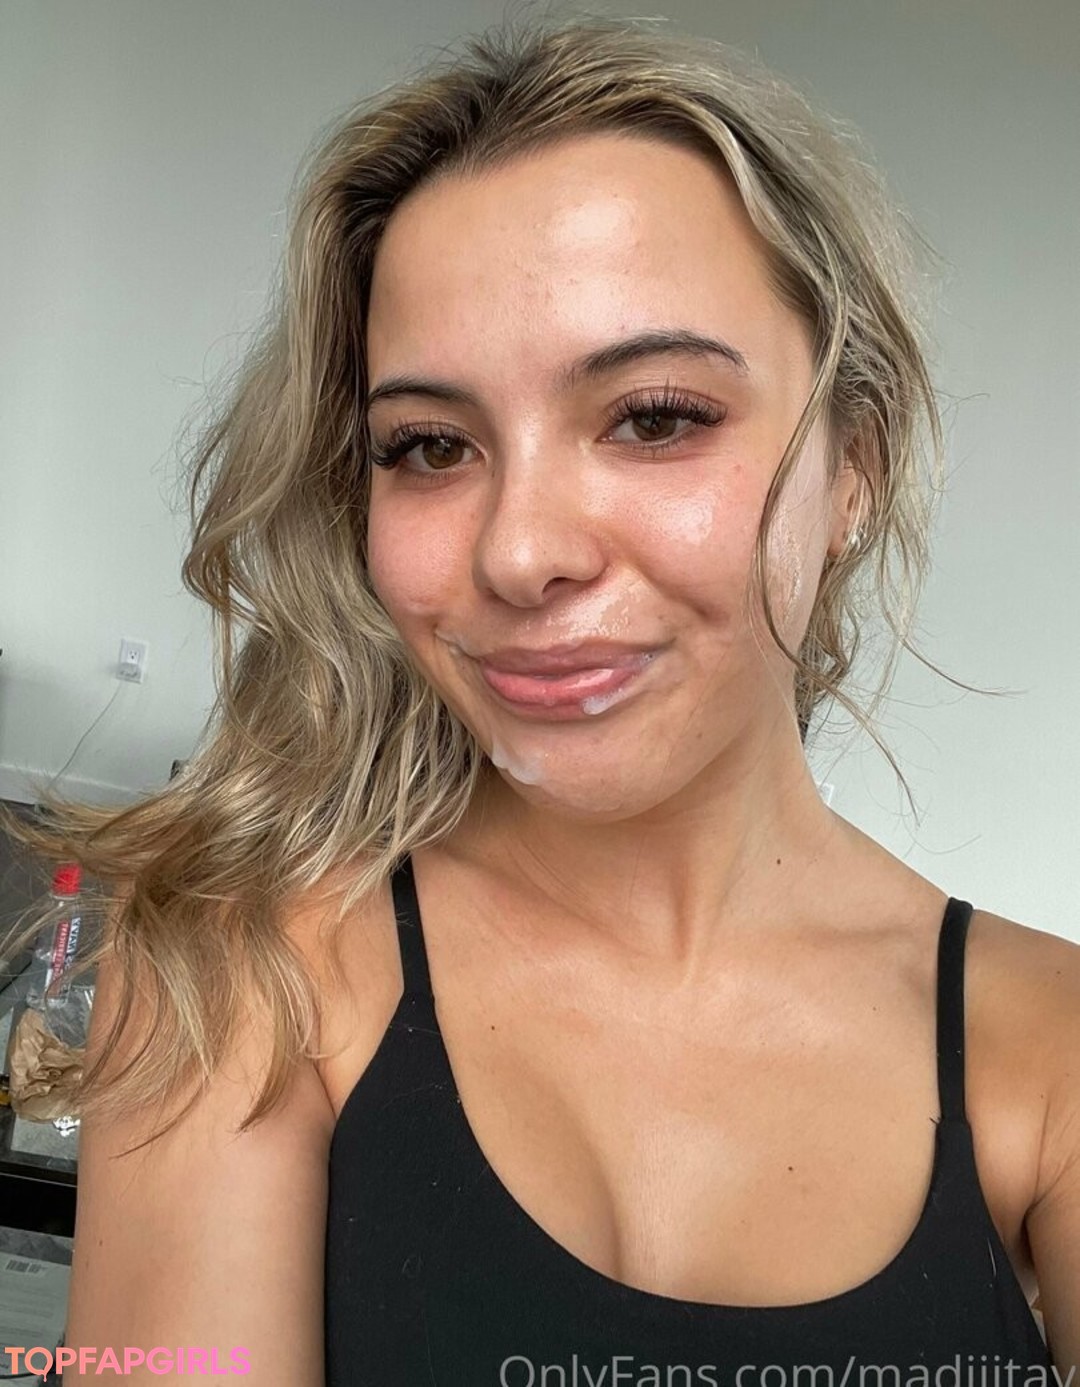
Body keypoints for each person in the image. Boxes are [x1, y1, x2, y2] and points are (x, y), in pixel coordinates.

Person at [3, 13, 1077, 1384]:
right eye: (428, 446)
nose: (517, 552)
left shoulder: (1051, 1052)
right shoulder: (238, 970)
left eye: (656, 417)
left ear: (852, 467)